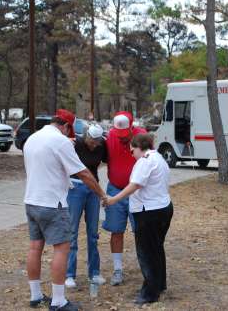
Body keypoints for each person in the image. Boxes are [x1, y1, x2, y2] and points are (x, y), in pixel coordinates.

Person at [23, 109, 106, 311]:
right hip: (53, 203)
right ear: (67, 126)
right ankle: (59, 301)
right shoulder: (59, 141)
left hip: (31, 200)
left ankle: (35, 295)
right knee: (62, 248)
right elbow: (84, 173)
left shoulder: (32, 139)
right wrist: (102, 195)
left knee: (35, 248)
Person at [104, 134, 173, 306]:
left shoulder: (145, 161)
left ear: (139, 146)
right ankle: (159, 284)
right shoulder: (159, 158)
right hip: (163, 208)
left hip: (148, 212)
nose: (131, 153)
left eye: (132, 150)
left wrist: (113, 199)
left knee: (147, 252)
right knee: (156, 248)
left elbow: (135, 185)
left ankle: (150, 292)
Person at [103, 111, 146, 286]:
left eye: (124, 134)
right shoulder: (110, 136)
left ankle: (147, 269)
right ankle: (118, 269)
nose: (121, 138)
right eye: (117, 133)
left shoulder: (142, 137)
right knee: (116, 231)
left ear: (132, 126)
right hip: (115, 189)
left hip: (138, 192)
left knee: (141, 232)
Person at [65, 124, 107, 290]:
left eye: (97, 142)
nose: (94, 144)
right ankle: (69, 274)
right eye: (92, 140)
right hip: (75, 187)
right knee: (72, 231)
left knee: (93, 233)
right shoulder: (76, 144)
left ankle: (94, 272)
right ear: (86, 136)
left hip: (93, 188)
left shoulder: (101, 146)